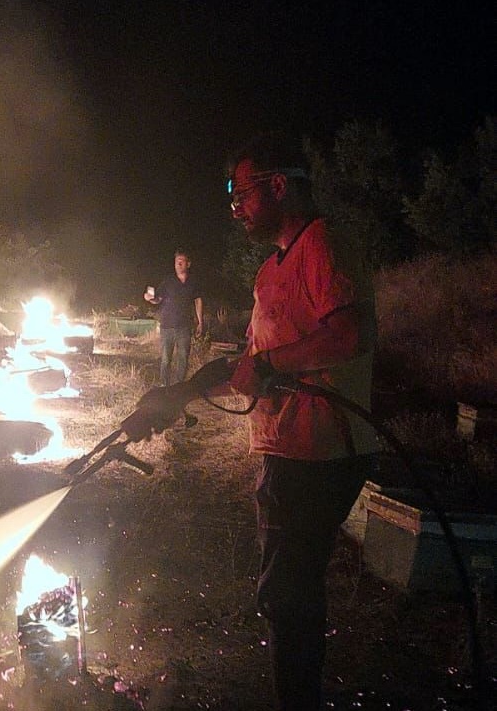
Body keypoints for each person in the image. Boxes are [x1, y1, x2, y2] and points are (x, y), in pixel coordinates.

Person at [124, 133, 379, 711]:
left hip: (321, 448)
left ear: (280, 186)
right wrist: (176, 396)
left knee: (288, 594)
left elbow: (348, 334)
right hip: (286, 446)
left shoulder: (324, 244)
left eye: (242, 194)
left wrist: (269, 364)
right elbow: (243, 367)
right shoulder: (271, 271)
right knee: (288, 592)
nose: (235, 207)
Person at [144, 248, 204, 386]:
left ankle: (179, 387)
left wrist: (201, 322)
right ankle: (164, 386)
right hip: (167, 326)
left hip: (184, 327)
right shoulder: (168, 281)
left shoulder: (193, 282)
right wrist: (149, 298)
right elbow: (157, 299)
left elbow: (198, 300)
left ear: (188, 264)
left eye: (181, 262)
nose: (178, 265)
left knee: (183, 357)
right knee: (166, 359)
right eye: (177, 262)